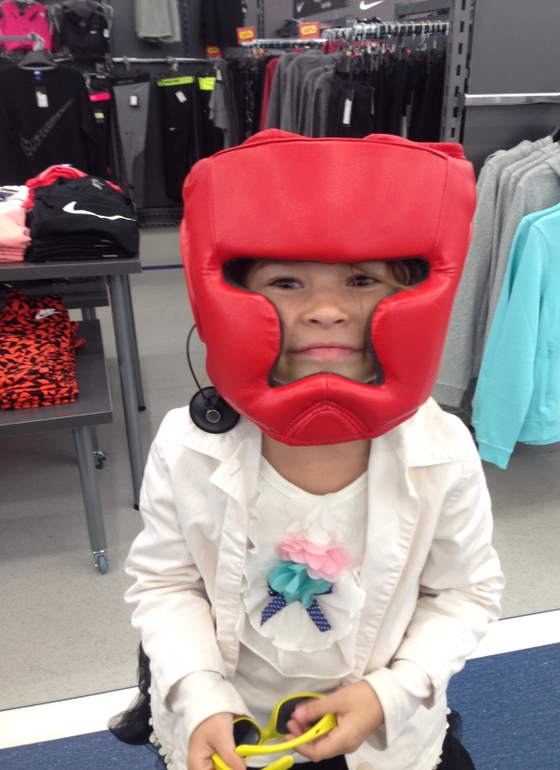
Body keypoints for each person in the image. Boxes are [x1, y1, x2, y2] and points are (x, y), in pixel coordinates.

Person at [112, 131, 504, 770]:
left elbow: (465, 592)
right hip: (232, 731)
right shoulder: (188, 446)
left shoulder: (440, 450)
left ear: (409, 294)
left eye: (361, 279)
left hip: (383, 737)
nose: (326, 310)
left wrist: (392, 691)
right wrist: (199, 693)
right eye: (288, 282)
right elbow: (166, 583)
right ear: (228, 295)